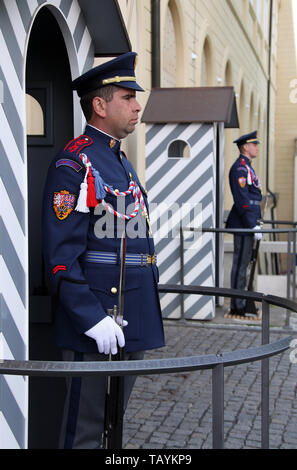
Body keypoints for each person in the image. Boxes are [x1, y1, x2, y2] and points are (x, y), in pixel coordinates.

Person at [42, 52, 165, 449]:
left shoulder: (119, 160)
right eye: (128, 97)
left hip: (131, 311)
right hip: (96, 317)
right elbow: (61, 255)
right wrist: (91, 318)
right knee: (86, 430)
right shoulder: (74, 163)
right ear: (99, 105)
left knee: (114, 427)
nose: (137, 105)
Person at [225, 131, 262, 319]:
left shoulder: (247, 167)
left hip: (249, 222)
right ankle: (237, 305)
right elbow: (243, 201)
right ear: (245, 147)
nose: (257, 147)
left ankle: (241, 302)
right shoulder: (240, 168)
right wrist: (251, 225)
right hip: (244, 223)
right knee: (240, 265)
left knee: (244, 264)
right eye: (254, 144)